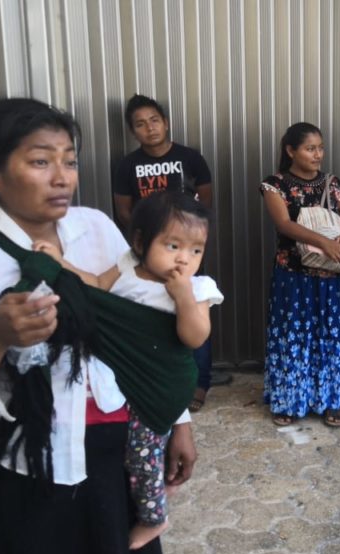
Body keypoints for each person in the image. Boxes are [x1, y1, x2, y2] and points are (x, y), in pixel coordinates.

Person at [0, 98, 197, 554]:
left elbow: (148, 332)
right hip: (36, 470)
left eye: (69, 160)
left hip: (118, 457)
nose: (62, 177)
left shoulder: (97, 230)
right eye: (40, 161)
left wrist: (178, 420)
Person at [34, 190, 222, 550]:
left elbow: (195, 337)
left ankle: (155, 518)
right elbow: (93, 286)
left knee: (140, 452)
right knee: (139, 452)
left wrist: (182, 296)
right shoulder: (124, 267)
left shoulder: (197, 288)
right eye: (173, 246)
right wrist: (60, 265)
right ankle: (157, 484)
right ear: (139, 241)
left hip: (162, 384)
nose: (185, 259)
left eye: (196, 250)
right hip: (127, 379)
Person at [113, 93, 227, 413]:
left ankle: (199, 383)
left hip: (182, 252)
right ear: (133, 131)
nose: (149, 128)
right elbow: (124, 210)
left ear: (165, 122)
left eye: (154, 120)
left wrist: (186, 239)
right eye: (140, 124)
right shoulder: (128, 166)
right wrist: (150, 241)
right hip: (149, 255)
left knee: (192, 307)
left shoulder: (191, 158)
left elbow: (204, 201)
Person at [260, 122, 340, 427]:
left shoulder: (332, 183)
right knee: (293, 335)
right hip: (293, 276)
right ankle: (289, 401)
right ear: (290, 150)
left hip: (331, 278)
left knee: (332, 336)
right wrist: (324, 242)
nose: (318, 154)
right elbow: (284, 224)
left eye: (320, 147)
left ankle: (332, 402)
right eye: (310, 148)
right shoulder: (274, 185)